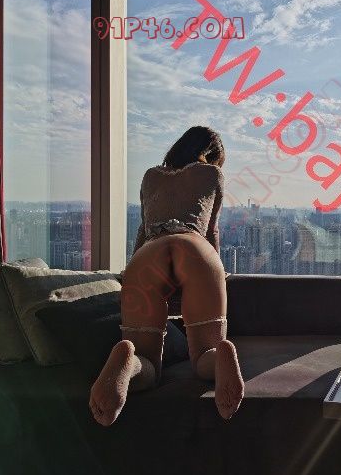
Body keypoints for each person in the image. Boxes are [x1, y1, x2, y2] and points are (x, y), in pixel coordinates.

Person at [89, 126, 244, 426]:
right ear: (213, 154)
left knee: (147, 361)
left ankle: (128, 359)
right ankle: (221, 355)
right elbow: (211, 230)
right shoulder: (212, 174)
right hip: (194, 247)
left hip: (150, 252)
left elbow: (143, 230)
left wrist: (131, 273)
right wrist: (215, 271)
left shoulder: (150, 176)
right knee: (204, 354)